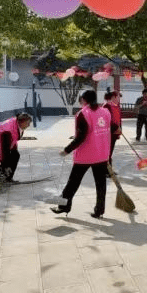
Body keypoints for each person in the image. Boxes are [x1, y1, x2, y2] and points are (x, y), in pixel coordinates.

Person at [51, 90, 111, 219]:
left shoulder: (83, 114)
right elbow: (111, 126)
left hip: (86, 155)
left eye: (81, 99)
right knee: (101, 184)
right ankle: (99, 210)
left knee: (73, 182)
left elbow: (81, 137)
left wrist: (67, 150)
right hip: (102, 154)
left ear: (84, 100)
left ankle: (63, 206)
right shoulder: (105, 112)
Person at [0, 113, 33, 183]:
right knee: (6, 157)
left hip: (1, 140)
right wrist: (6, 166)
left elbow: (14, 139)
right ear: (22, 122)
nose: (28, 125)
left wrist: (14, 149)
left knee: (15, 155)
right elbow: (5, 150)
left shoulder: (16, 124)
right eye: (27, 123)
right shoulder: (8, 130)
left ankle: (8, 178)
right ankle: (4, 178)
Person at [103, 91, 122, 176]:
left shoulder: (116, 106)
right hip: (108, 133)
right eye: (118, 97)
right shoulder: (106, 106)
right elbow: (106, 121)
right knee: (107, 153)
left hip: (114, 133)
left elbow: (118, 119)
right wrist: (115, 128)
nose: (119, 99)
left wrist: (119, 130)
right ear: (113, 97)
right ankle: (106, 171)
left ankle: (109, 170)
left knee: (110, 152)